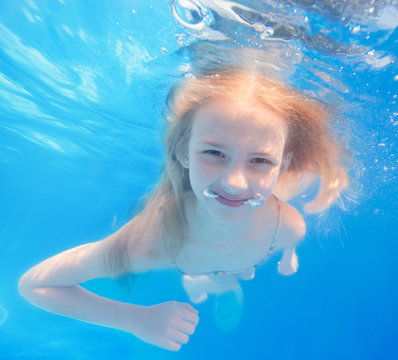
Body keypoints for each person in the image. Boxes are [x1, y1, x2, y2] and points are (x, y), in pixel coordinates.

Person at [18, 68, 351, 352]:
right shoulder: (150, 240)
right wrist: (135, 320)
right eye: (214, 153)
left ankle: (210, 278)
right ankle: (206, 277)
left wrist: (287, 254)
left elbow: (290, 237)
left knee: (228, 273)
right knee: (220, 273)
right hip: (191, 254)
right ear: (183, 153)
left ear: (282, 167)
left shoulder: (289, 228)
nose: (235, 183)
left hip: (237, 258)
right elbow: (35, 285)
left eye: (261, 161)